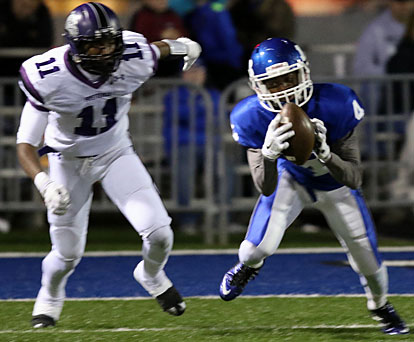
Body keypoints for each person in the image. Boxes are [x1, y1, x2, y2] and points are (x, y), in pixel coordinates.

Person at [15, 2, 201, 328]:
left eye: (110, 43)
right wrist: (44, 184)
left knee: (160, 234)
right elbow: (25, 144)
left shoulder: (132, 55)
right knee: (67, 253)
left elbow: (155, 49)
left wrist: (182, 45)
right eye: (95, 45)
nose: (105, 51)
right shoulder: (48, 75)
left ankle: (151, 274)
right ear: (76, 46)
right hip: (66, 161)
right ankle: (50, 295)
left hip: (115, 154)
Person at [218, 38, 409, 335]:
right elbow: (264, 187)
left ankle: (380, 305)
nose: (285, 90)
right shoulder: (250, 116)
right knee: (253, 251)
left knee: (367, 261)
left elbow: (354, 178)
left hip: (335, 187)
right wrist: (268, 156)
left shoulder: (336, 103)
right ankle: (247, 268)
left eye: (289, 78)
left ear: (304, 73)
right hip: (290, 179)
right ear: (258, 87)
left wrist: (326, 155)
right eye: (274, 83)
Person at [162, 59, 220, 233]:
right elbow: (180, 115)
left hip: (210, 144)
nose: (194, 75)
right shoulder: (172, 95)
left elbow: (215, 117)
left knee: (225, 168)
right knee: (184, 171)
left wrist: (194, 111)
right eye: (190, 71)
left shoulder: (213, 94)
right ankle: (188, 220)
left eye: (198, 71)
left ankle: (220, 220)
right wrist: (200, 108)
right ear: (182, 75)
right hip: (183, 144)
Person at [184, 0, 244, 90]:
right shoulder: (192, 14)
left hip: (224, 62)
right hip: (210, 62)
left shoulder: (216, 9)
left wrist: (235, 61)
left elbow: (228, 36)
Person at [128, 0, 188, 77]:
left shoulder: (173, 15)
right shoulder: (141, 17)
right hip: (150, 67)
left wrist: (178, 37)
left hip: (174, 65)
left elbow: (186, 35)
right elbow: (137, 42)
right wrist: (160, 37)